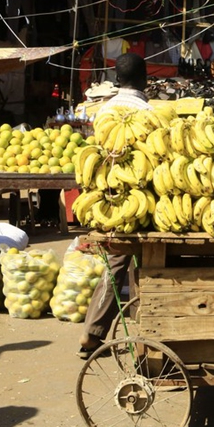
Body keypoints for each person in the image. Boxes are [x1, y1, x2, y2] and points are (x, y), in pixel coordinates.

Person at [77, 53, 153, 359]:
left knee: (116, 265)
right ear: (145, 77)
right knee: (145, 266)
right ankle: (143, 339)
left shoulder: (105, 110)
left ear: (116, 78)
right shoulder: (146, 111)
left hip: (108, 201)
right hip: (139, 200)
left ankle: (92, 334)